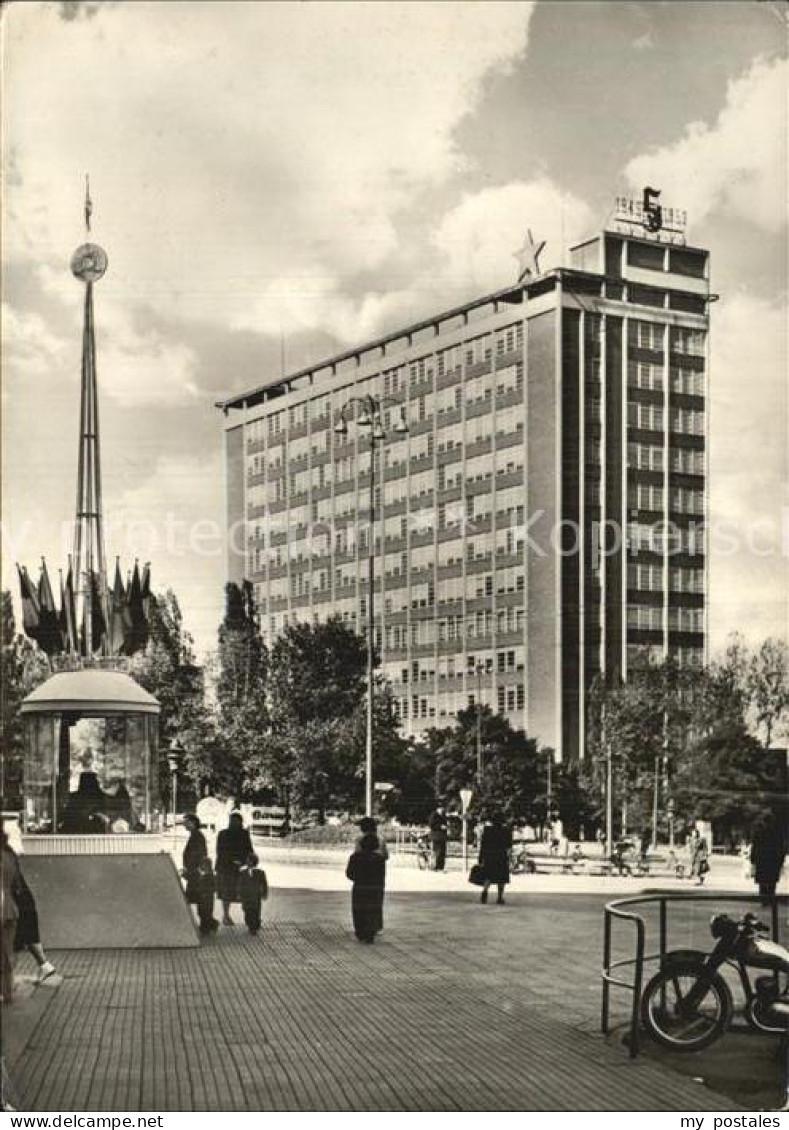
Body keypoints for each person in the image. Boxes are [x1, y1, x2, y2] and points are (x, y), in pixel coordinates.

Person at [2, 826, 56, 983]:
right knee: (24, 937)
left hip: (14, 901)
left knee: (13, 942)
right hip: (20, 899)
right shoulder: (11, 856)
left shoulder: (6, 856)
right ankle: (44, 965)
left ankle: (8, 981)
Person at [181, 813, 218, 934]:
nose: (184, 824)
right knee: (199, 900)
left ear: (193, 823)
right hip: (195, 873)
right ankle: (208, 923)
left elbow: (199, 855)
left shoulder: (197, 836)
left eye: (186, 822)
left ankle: (208, 924)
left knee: (201, 900)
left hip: (197, 874)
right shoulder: (195, 835)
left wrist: (194, 870)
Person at [345, 833, 386, 943]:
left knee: (359, 909)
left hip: (360, 887)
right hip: (374, 888)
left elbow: (349, 874)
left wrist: (357, 878)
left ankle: (360, 931)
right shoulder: (379, 859)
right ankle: (370, 933)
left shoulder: (354, 857)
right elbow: (381, 875)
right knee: (372, 910)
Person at [215, 811, 254, 925]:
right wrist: (235, 861)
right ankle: (226, 915)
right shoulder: (223, 834)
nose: (234, 823)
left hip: (238, 867)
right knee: (226, 892)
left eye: (236, 821)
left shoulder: (244, 834)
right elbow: (220, 851)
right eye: (232, 821)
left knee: (240, 892)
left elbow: (249, 850)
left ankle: (249, 916)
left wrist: (244, 861)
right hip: (225, 867)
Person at [750, 810, 787, 906]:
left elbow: (755, 847)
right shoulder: (777, 834)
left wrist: (753, 859)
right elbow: (781, 848)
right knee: (771, 881)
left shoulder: (759, 832)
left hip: (762, 860)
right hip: (773, 861)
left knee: (763, 881)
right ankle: (770, 898)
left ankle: (764, 899)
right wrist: (781, 860)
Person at [478, 812, 512, 905]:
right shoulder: (506, 831)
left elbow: (483, 845)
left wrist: (480, 858)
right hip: (501, 855)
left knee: (488, 875)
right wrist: (510, 858)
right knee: (501, 878)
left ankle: (485, 890)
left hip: (489, 855)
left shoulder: (487, 830)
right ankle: (500, 897)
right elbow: (509, 847)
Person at [238, 852, 268, 935]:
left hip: (256, 895)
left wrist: (265, 893)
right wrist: (239, 894)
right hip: (246, 895)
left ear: (252, 862)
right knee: (246, 910)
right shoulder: (243, 872)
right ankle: (251, 924)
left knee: (256, 910)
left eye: (248, 861)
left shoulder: (260, 873)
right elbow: (240, 884)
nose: (247, 862)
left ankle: (253, 927)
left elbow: (264, 883)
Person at [428, 804, 448, 872]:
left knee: (443, 852)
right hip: (436, 836)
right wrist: (440, 826)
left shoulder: (443, 815)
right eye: (441, 808)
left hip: (442, 836)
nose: (442, 810)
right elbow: (431, 825)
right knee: (438, 852)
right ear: (438, 809)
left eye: (442, 808)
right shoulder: (434, 815)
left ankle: (441, 867)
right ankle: (436, 867)